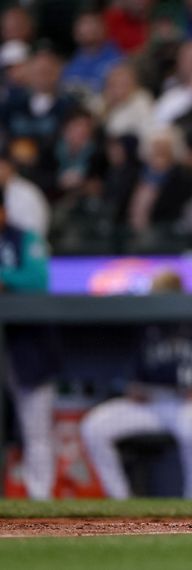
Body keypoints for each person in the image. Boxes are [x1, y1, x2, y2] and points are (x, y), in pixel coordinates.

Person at [81, 271, 192, 499]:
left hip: (189, 407)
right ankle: (121, 500)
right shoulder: (147, 326)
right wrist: (134, 389)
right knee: (94, 426)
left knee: (191, 426)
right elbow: (133, 378)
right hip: (151, 406)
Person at [1, 187, 60, 500]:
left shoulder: (25, 238)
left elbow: (38, 281)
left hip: (27, 343)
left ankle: (42, 498)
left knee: (36, 427)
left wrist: (6, 279)